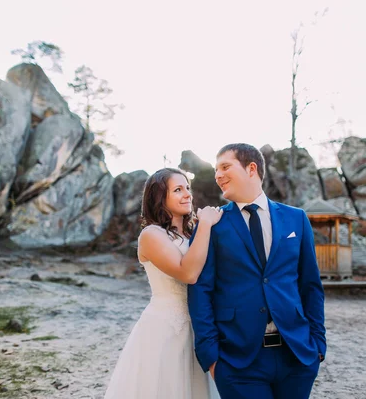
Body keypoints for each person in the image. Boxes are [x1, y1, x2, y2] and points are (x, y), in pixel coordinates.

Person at [188, 143, 326, 399]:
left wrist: (318, 346)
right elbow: (200, 291)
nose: (218, 175)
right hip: (237, 360)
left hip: (297, 355)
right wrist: (212, 358)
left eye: (225, 167)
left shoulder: (296, 218)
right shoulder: (211, 225)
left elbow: (311, 285)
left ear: (251, 169)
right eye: (216, 169)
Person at [105, 167, 222, 399]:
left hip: (200, 326)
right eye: (178, 190)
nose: (187, 194)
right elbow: (188, 273)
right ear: (159, 197)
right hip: (166, 329)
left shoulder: (194, 233)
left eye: (187, 188)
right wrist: (207, 225)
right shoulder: (151, 235)